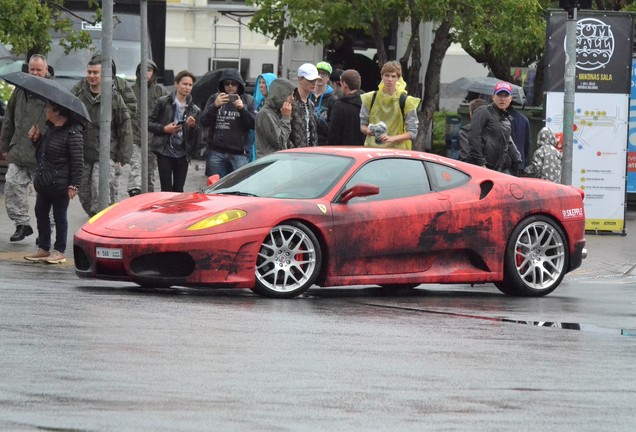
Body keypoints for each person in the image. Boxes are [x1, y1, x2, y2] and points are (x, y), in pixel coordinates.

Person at [23, 103, 83, 264]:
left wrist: (74, 184)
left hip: (60, 183)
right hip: (44, 181)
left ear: (58, 112)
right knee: (40, 212)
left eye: (49, 109)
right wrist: (36, 140)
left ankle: (59, 251)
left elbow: (78, 161)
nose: (45, 111)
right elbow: (44, 154)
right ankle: (44, 248)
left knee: (59, 216)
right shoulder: (50, 129)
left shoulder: (73, 132)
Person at [73, 56, 133, 217]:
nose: (92, 76)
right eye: (89, 72)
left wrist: (124, 154)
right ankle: (95, 216)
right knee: (85, 193)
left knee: (101, 188)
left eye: (95, 73)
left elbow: (124, 125)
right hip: (84, 152)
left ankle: (104, 218)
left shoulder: (113, 97)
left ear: (103, 75)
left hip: (106, 152)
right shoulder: (78, 94)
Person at [0, 54, 50, 242]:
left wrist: (42, 132)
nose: (35, 73)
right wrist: (5, 145)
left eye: (39, 69)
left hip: (42, 155)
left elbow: (59, 123)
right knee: (12, 184)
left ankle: (46, 230)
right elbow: (8, 120)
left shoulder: (52, 93)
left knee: (45, 194)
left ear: (46, 70)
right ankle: (22, 224)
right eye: (32, 69)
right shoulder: (20, 91)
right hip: (19, 150)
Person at [149, 70, 200, 192]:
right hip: (164, 151)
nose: (187, 87)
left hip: (183, 153)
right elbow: (148, 123)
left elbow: (197, 136)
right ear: (176, 84)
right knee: (166, 190)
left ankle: (176, 211)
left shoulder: (194, 109)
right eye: (184, 84)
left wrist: (193, 127)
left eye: (190, 85)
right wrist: (164, 129)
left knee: (178, 190)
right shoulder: (163, 102)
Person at [200, 68, 255, 178]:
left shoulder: (247, 100)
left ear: (239, 84)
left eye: (233, 83)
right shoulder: (215, 98)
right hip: (216, 152)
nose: (230, 86)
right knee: (215, 188)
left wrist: (242, 109)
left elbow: (254, 124)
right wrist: (214, 106)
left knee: (238, 188)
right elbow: (203, 121)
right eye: (227, 83)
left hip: (239, 153)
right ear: (222, 85)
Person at [127, 60, 168, 197]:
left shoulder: (161, 91)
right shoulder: (131, 91)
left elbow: (168, 110)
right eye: (143, 70)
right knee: (136, 168)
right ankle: (134, 193)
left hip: (153, 138)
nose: (146, 74)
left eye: (149, 70)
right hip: (135, 136)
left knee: (150, 172)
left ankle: (148, 197)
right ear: (138, 72)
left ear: (154, 73)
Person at [359, 61, 420, 150]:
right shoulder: (370, 98)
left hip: (397, 151)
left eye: (393, 76)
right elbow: (362, 125)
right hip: (373, 150)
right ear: (382, 76)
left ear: (398, 78)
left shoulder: (406, 101)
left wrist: (392, 139)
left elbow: (412, 132)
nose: (390, 79)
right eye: (387, 75)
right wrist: (368, 130)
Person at [468, 81, 522, 174]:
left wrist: (515, 162)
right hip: (483, 168)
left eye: (506, 95)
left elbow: (507, 145)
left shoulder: (507, 120)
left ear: (510, 99)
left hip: (499, 170)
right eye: (500, 95)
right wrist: (481, 163)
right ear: (493, 97)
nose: (502, 99)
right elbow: (474, 137)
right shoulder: (483, 111)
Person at [255, 78, 295, 158]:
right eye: (289, 95)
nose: (292, 98)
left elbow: (287, 141)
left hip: (278, 162)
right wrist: (286, 118)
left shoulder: (278, 111)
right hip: (268, 164)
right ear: (280, 95)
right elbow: (280, 142)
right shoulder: (265, 114)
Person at [327, 69, 365, 146]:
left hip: (344, 151)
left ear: (344, 85)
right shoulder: (367, 101)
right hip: (363, 150)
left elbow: (334, 134)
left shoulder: (340, 105)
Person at [290, 63, 320, 148]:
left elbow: (313, 132)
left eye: (315, 80)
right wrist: (292, 149)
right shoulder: (291, 102)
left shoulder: (311, 104)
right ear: (300, 79)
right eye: (310, 80)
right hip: (294, 155)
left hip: (309, 154)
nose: (313, 83)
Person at [248, 72, 277, 161]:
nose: (261, 86)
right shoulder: (257, 103)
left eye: (264, 83)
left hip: (270, 149)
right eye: (260, 83)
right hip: (257, 146)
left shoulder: (277, 105)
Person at [309, 61, 336, 145]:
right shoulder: (307, 95)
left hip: (322, 142)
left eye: (323, 74)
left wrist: (317, 120)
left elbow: (331, 127)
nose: (320, 76)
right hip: (307, 141)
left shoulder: (332, 99)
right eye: (318, 73)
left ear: (328, 78)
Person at [458, 99, 488, 163]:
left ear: (471, 114)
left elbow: (465, 156)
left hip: (474, 168)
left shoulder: (465, 131)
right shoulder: (497, 128)